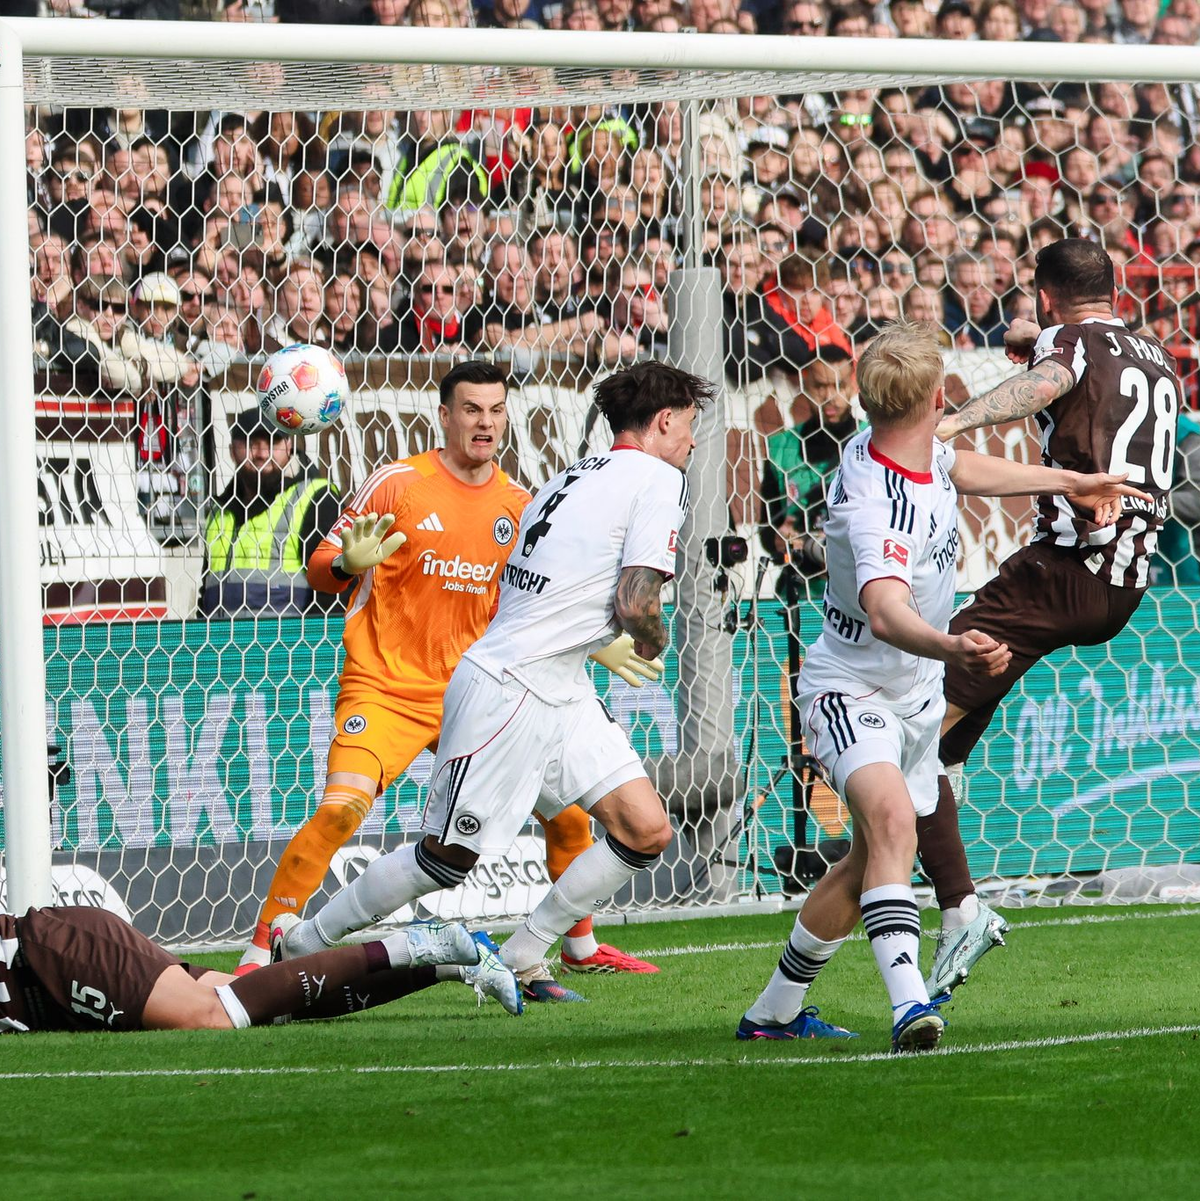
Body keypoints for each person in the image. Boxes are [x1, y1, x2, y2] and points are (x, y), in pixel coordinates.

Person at [738, 320, 1148, 1050]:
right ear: (935, 396)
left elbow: (964, 468)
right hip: (852, 687)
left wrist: (1069, 480)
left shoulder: (906, 446)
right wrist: (953, 642)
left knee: (868, 859)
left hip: (915, 693)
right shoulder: (876, 503)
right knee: (895, 821)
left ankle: (772, 1011)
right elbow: (885, 610)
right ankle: (910, 1008)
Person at [277, 361, 711, 1003]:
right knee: (445, 860)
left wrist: (595, 644)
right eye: (691, 426)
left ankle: (524, 954)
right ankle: (303, 942)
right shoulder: (655, 477)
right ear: (666, 421)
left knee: (644, 828)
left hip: (560, 686)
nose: (694, 442)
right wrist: (649, 640)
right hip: (510, 689)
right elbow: (636, 594)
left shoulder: (574, 475)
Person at [923, 239, 1180, 996]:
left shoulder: (1068, 342)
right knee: (935, 731)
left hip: (1064, 568)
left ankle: (956, 903)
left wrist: (956, 422)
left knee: (905, 726)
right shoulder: (1158, 355)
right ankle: (913, 828)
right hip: (1125, 583)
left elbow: (1057, 376)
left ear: (1045, 296)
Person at [0, 906, 519, 1035]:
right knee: (269, 1006)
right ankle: (445, 962)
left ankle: (413, 942)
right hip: (51, 977)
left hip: (52, 953)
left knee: (211, 1017)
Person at [199, 408, 343, 618]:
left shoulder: (316, 498)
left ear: (289, 446)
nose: (261, 453)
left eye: (272, 443)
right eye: (251, 443)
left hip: (285, 647)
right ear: (231, 450)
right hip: (220, 648)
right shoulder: (218, 512)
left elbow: (336, 587)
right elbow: (206, 593)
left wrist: (310, 647)